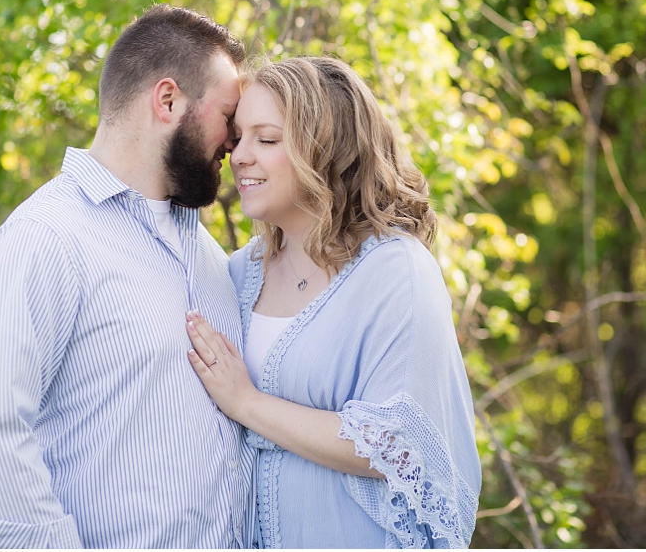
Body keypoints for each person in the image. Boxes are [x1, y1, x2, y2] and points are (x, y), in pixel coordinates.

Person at [0, 5, 255, 548]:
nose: (235, 141)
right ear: (168, 101)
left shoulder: (208, 253)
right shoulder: (43, 240)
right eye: (228, 117)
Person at [184, 56, 482, 548]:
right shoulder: (236, 273)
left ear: (326, 150)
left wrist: (247, 403)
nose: (239, 156)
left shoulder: (394, 272)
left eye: (268, 139)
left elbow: (399, 444)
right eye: (238, 138)